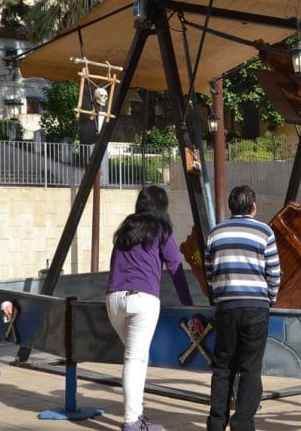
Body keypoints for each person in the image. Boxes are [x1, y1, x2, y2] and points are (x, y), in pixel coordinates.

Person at [105, 185, 194, 431]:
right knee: (135, 359)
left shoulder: (126, 228)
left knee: (136, 359)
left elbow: (115, 263)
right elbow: (175, 267)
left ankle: (137, 415)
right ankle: (132, 423)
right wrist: (188, 303)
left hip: (114, 299)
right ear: (161, 206)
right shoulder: (161, 229)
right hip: (142, 299)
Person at [205, 185, 281, 431]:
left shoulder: (215, 234)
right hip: (256, 308)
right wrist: (270, 298)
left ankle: (216, 424)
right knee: (250, 369)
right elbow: (274, 273)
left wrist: (219, 296)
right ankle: (242, 425)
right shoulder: (264, 232)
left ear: (231, 206)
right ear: (253, 206)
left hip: (226, 307)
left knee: (223, 368)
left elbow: (210, 273)